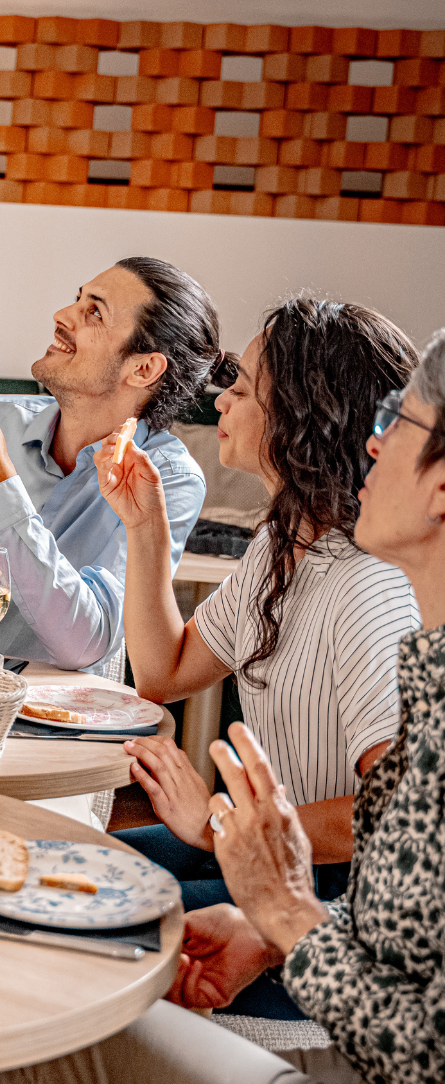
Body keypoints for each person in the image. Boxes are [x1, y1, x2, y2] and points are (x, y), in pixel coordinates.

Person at [99, 300, 419, 971]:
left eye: (241, 389)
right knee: (81, 867)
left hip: (341, 901)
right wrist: (145, 526)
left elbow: (393, 816)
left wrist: (219, 826)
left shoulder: (369, 587)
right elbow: (164, 671)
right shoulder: (283, 545)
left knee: (97, 925)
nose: (221, 401)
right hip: (274, 853)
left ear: (303, 417)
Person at [167, 331, 445, 1082]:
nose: (373, 444)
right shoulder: (430, 667)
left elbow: (425, 1048)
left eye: (399, 423)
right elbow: (409, 910)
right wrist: (266, 933)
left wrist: (285, 911)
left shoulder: (371, 594)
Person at [0, 257, 225, 670]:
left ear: (143, 368)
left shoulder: (167, 480)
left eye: (95, 312)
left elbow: (87, 642)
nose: (61, 315)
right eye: (77, 299)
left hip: (54, 703)